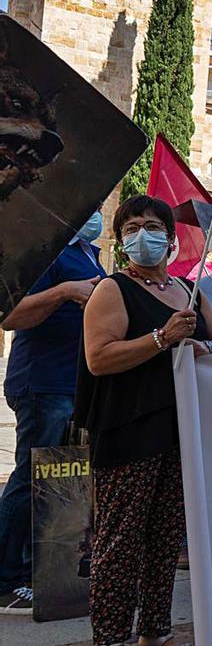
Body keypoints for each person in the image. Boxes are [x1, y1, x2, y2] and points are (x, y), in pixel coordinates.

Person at [78, 196, 212, 645]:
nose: (140, 234)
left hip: (178, 429)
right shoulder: (113, 290)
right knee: (120, 541)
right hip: (129, 429)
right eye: (130, 228)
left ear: (169, 238)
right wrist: (162, 337)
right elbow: (99, 358)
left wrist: (202, 347)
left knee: (164, 541)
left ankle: (154, 631)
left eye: (150, 226)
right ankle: (110, 635)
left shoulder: (188, 291)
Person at [0, 211, 106, 615]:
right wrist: (63, 292)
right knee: (29, 480)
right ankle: (6, 575)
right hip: (43, 385)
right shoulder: (46, 255)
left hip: (73, 386)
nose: (95, 215)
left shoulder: (90, 254)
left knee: (57, 486)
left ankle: (39, 572)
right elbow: (12, 314)